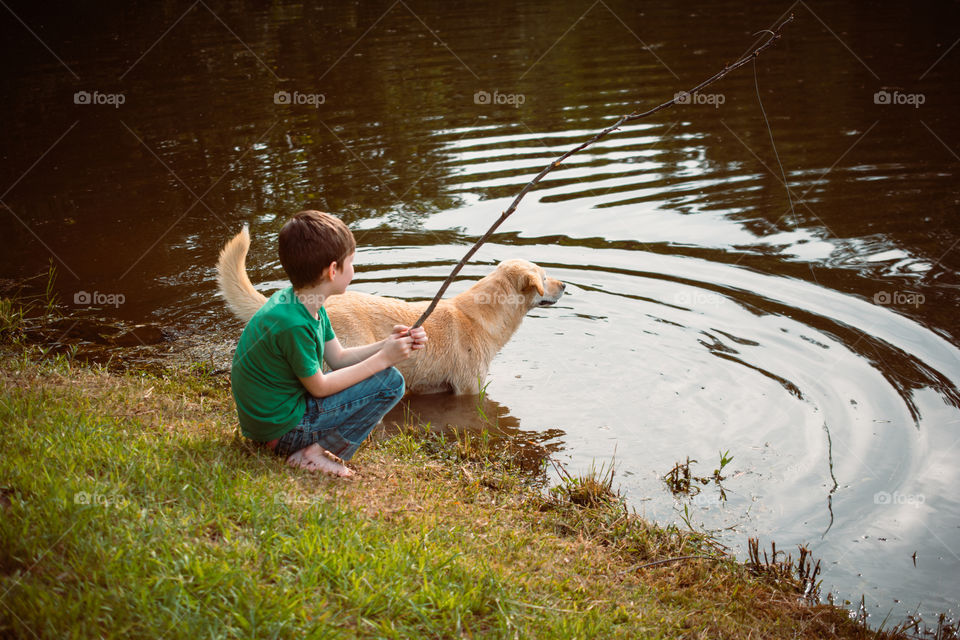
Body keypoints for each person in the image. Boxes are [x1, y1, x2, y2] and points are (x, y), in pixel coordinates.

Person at [230, 210, 427, 477]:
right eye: (352, 262)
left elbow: (339, 357)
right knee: (390, 382)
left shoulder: (301, 301)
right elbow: (320, 388)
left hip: (274, 422)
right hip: (281, 432)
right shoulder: (294, 324)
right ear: (333, 270)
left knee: (383, 375)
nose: (354, 270)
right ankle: (311, 455)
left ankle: (310, 449)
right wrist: (385, 359)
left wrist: (387, 344)